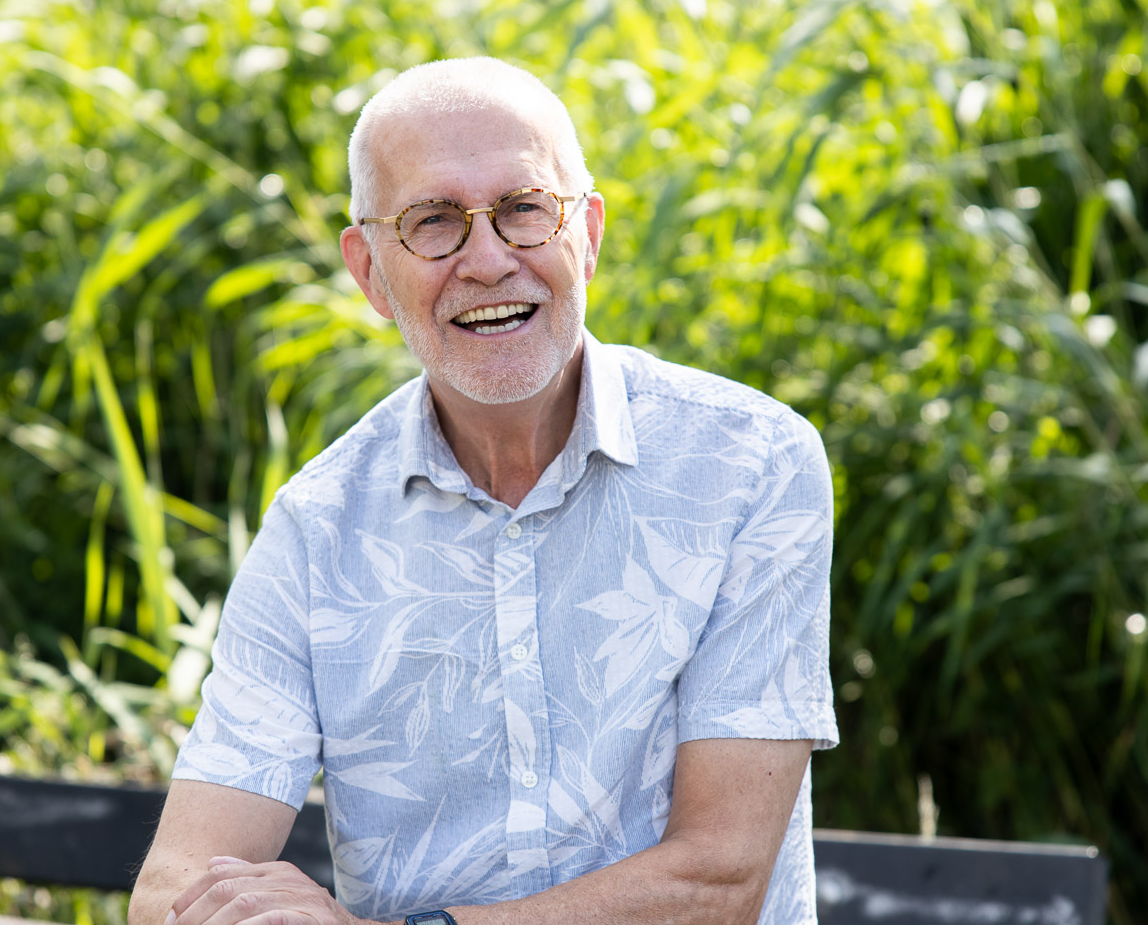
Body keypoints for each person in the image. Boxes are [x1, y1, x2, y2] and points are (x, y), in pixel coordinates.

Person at [129, 57, 837, 925]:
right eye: (433, 222)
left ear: (590, 232)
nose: (489, 260)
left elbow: (720, 881)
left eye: (525, 210)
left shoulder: (750, 466)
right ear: (369, 272)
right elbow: (174, 885)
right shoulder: (317, 529)